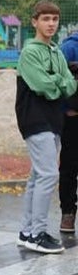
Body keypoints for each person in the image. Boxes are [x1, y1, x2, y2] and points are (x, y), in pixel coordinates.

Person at [14, 1, 77, 253]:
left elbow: (71, 86)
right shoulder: (30, 52)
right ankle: (38, 233)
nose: (51, 24)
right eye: (46, 19)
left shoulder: (56, 52)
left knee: (37, 176)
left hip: (54, 121)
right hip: (34, 119)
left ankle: (27, 232)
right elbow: (44, 87)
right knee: (50, 174)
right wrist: (60, 81)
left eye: (54, 19)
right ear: (34, 22)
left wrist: (60, 82)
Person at [58, 26, 78, 233]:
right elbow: (60, 82)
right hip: (73, 119)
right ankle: (68, 213)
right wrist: (67, 109)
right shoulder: (69, 48)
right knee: (70, 167)